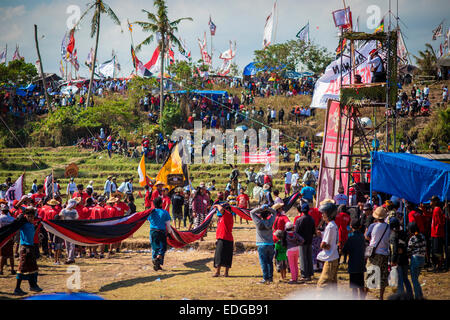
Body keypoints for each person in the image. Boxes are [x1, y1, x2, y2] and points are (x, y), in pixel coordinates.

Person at [14, 207, 42, 296]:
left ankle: (33, 285)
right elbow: (18, 213)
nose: (30, 218)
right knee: (22, 268)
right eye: (29, 216)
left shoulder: (32, 224)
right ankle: (17, 288)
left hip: (31, 247)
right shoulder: (23, 224)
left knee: (33, 267)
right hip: (24, 248)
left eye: (32, 217)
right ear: (25, 216)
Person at [365, 206, 391, 300]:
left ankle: (364, 296)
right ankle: (381, 297)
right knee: (383, 277)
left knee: (370, 276)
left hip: (374, 253)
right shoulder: (388, 227)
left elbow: (367, 237)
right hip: (384, 253)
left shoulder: (372, 226)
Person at [250, 204, 276, 284]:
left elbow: (251, 212)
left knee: (263, 262)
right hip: (270, 244)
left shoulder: (258, 222)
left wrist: (259, 208)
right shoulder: (270, 221)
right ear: (268, 215)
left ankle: (265, 278)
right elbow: (274, 212)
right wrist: (268, 208)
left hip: (261, 244)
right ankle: (270, 277)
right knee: (270, 262)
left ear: (260, 215)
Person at [316, 201, 339, 290]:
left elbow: (325, 244)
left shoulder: (330, 227)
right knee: (332, 286)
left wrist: (322, 245)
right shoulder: (333, 225)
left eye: (323, 213)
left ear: (329, 214)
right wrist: (322, 234)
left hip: (330, 258)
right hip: (334, 256)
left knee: (322, 285)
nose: (322, 215)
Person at [342, 219, 367, 300]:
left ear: (351, 226)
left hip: (353, 264)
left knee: (354, 287)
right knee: (361, 285)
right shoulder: (362, 236)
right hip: (361, 263)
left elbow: (345, 250)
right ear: (360, 226)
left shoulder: (350, 237)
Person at [389, 217, 413, 298]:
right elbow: (406, 245)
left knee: (400, 280)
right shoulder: (404, 233)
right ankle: (410, 295)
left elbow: (394, 249)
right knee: (405, 278)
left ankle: (401, 297)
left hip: (398, 260)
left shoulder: (393, 235)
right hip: (405, 259)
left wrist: (393, 260)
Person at [147, 197, 172, 271]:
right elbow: (168, 225)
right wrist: (170, 233)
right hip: (161, 232)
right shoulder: (165, 212)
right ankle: (157, 259)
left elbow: (149, 221)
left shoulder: (151, 212)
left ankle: (156, 264)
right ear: (161, 203)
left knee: (155, 248)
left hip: (152, 232)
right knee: (162, 248)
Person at [294, 202, 316, 282]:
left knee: (303, 258)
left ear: (302, 211)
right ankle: (310, 273)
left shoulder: (299, 220)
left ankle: (304, 275)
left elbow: (296, 232)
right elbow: (314, 231)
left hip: (302, 242)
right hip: (310, 240)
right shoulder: (312, 219)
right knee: (309, 257)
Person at [212, 204, 234, 277]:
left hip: (226, 238)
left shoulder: (228, 214)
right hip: (221, 238)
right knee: (219, 256)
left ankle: (225, 273)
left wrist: (217, 205)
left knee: (225, 256)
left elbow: (221, 210)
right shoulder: (221, 217)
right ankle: (218, 272)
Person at [407, 222, 427, 300]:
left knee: (414, 279)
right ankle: (420, 294)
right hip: (422, 259)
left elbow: (409, 249)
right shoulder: (422, 236)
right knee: (416, 278)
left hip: (415, 259)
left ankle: (418, 296)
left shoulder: (412, 238)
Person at [60, 199, 79, 264]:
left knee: (70, 244)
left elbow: (61, 217)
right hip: (69, 229)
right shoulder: (74, 211)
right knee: (69, 244)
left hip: (69, 229)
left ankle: (70, 258)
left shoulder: (64, 211)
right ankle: (70, 257)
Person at [430, 196, 445, 272]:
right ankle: (437, 265)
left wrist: (436, 231)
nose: (430, 202)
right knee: (435, 251)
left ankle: (439, 266)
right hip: (435, 233)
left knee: (437, 251)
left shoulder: (437, 210)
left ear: (435, 202)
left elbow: (440, 222)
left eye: (431, 201)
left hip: (437, 234)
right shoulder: (435, 209)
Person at [0, 203, 16, 275]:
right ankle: (12, 269)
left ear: (2, 211)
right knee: (10, 254)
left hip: (2, 238)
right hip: (10, 238)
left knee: (2, 255)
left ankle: (1, 270)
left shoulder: (0, 218)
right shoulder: (12, 219)